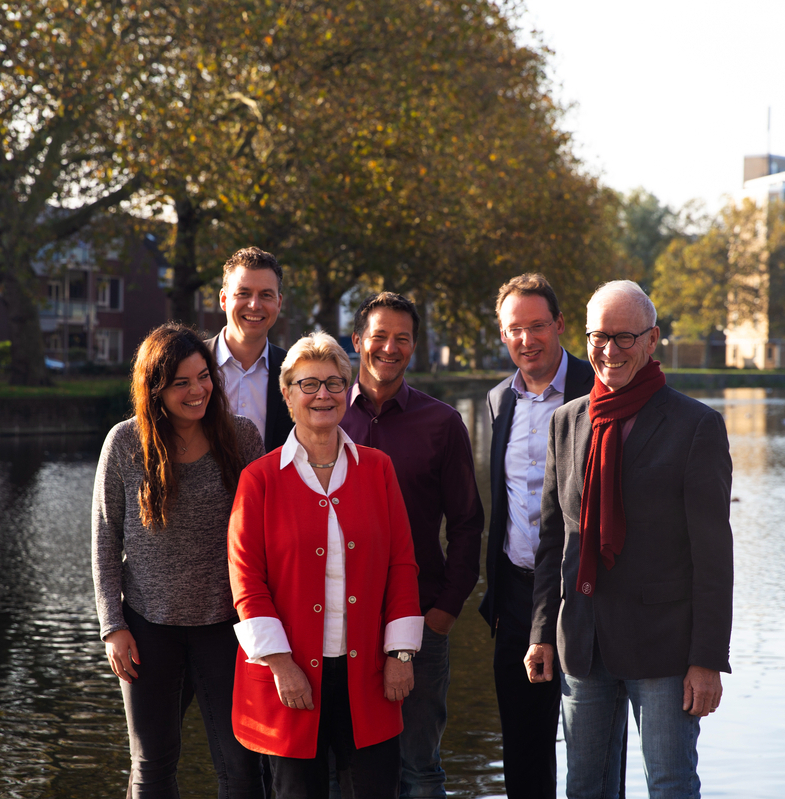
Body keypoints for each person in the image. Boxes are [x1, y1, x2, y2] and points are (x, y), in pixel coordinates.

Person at [526, 280, 733, 798]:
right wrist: (541, 631)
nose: (610, 351)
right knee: (584, 788)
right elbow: (554, 540)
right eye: (600, 337)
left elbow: (714, 557)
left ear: (652, 339)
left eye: (625, 337)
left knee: (670, 785)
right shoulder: (566, 422)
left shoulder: (697, 426)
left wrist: (707, 660)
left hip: (665, 650)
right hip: (583, 645)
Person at [227, 331, 424, 799]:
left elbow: (402, 564)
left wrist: (400, 654)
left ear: (348, 392)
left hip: (370, 674)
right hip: (292, 675)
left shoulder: (378, 469)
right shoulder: (258, 479)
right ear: (287, 394)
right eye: (308, 384)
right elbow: (246, 581)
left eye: (335, 383)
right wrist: (281, 665)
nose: (323, 395)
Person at [91, 322, 266, 798]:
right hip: (148, 626)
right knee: (152, 764)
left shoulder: (243, 437)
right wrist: (113, 626)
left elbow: (264, 534)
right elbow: (105, 540)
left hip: (226, 625)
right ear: (155, 388)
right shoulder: (125, 443)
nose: (198, 390)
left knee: (243, 766)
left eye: (203, 376)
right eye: (181, 382)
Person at [340, 292, 484, 799]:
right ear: (357, 341)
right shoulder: (323, 416)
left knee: (419, 769)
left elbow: (468, 524)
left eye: (402, 338)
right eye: (379, 336)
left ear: (415, 347)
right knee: (343, 770)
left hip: (420, 621)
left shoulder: (442, 423)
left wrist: (444, 611)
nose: (389, 347)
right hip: (339, 624)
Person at [478, 273, 594, 798]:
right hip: (518, 597)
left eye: (538, 326)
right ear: (503, 334)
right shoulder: (499, 400)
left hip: (587, 594)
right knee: (523, 750)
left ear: (561, 326)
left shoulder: (600, 389)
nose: (527, 340)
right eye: (514, 329)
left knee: (592, 748)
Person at [206, 246, 293, 452]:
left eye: (266, 295)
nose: (254, 305)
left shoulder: (294, 371)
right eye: (243, 293)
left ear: (278, 303)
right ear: (224, 299)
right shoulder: (188, 363)